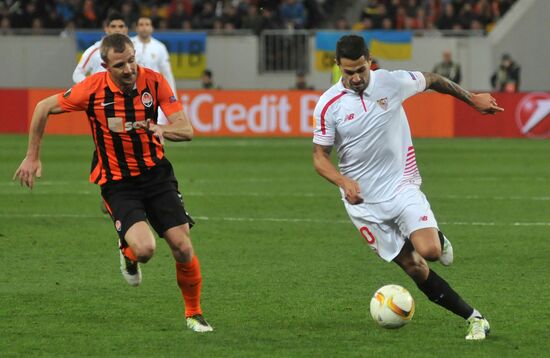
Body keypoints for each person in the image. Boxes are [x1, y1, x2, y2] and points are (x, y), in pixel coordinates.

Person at [13, 33, 213, 333]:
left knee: (182, 247)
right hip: (118, 181)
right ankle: (128, 252)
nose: (129, 69)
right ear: (105, 65)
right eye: (120, 65)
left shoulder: (154, 81)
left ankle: (194, 313)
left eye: (132, 61)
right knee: (145, 250)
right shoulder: (91, 89)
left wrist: (161, 128)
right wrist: (32, 157)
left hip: (157, 175)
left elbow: (186, 129)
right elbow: (43, 107)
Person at [312, 35, 503, 340]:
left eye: (361, 69)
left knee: (429, 251)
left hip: (401, 185)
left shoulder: (391, 82)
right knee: (414, 268)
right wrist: (343, 181)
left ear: (369, 59)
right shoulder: (328, 105)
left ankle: (435, 237)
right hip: (363, 204)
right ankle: (474, 317)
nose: (357, 77)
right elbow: (319, 157)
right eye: (349, 72)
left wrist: (471, 98)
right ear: (338, 67)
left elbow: (432, 80)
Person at [132, 16, 177, 125]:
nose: (144, 28)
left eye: (147, 25)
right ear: (136, 28)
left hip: (154, 90)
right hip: (132, 89)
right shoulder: (129, 44)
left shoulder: (159, 47)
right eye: (141, 25)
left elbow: (167, 72)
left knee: (157, 124)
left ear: (152, 28)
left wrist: (173, 93)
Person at [72, 12, 128, 83]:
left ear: (126, 30)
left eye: (121, 26)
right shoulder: (94, 50)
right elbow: (77, 74)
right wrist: (92, 86)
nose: (117, 30)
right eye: (113, 26)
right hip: (100, 93)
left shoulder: (133, 52)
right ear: (107, 29)